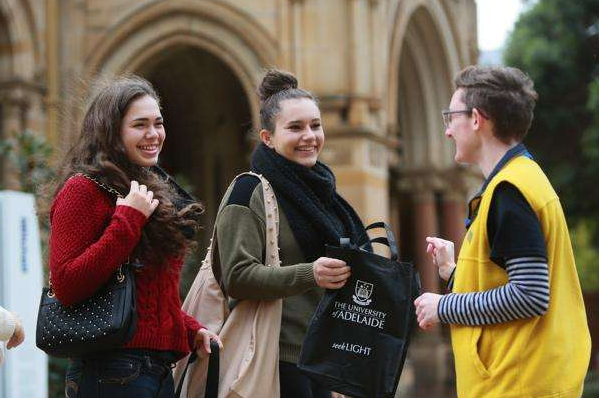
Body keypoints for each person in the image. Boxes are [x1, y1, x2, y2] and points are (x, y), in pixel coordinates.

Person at [414, 66, 591, 397]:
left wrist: (442, 307)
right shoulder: (517, 180)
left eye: (451, 117)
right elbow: (508, 284)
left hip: (519, 385)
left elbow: (529, 295)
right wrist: (454, 273)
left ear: (477, 119)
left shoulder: (509, 190)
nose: (448, 130)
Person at [43, 76, 222, 398]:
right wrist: (128, 219)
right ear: (111, 131)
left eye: (158, 123)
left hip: (155, 371)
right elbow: (67, 284)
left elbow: (142, 293)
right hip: (109, 371)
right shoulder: (83, 189)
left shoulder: (145, 188)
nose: (153, 134)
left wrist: (189, 328)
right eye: (140, 125)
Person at [214, 69, 368, 398]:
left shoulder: (324, 193)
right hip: (274, 359)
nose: (309, 136)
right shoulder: (249, 191)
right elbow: (237, 275)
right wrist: (310, 273)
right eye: (295, 128)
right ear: (267, 138)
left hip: (323, 359)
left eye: (315, 125)